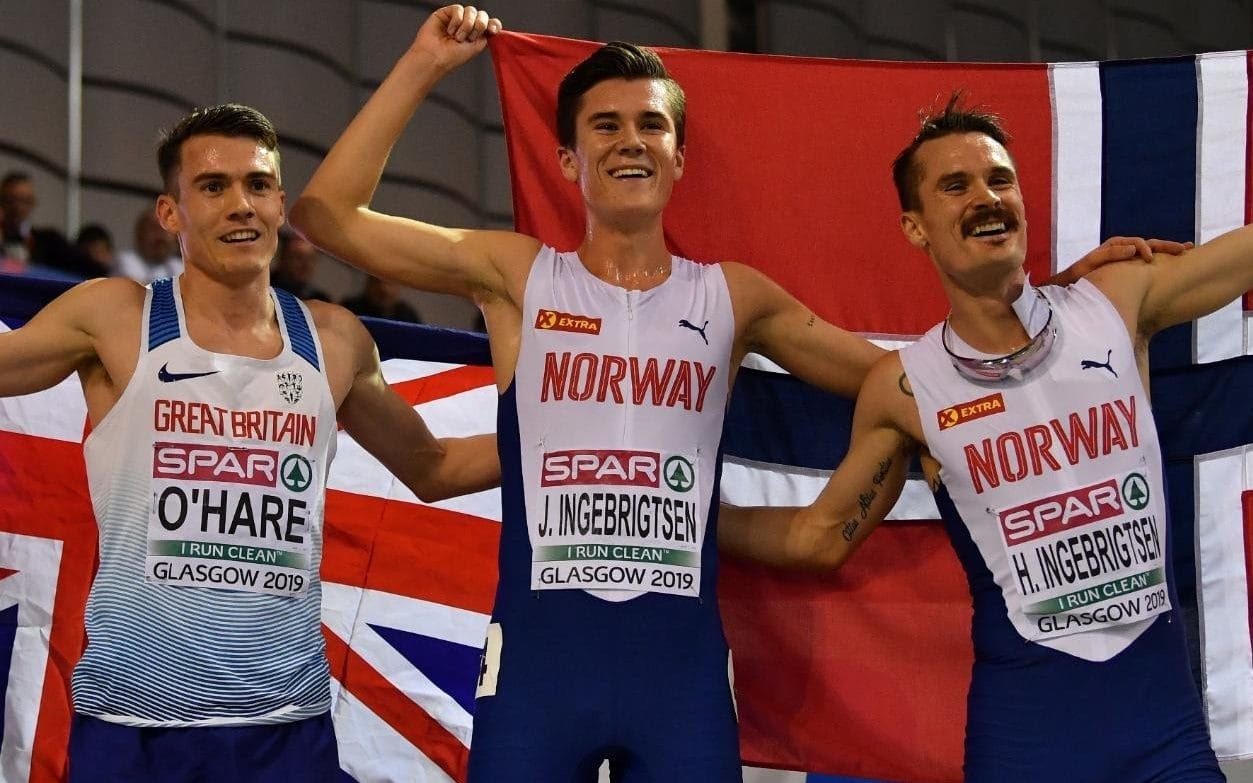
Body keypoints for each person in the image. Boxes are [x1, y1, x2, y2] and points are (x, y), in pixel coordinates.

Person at [289, 8, 1173, 780]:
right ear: (566, 158)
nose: (629, 140)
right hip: (537, 672)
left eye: (650, 124)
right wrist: (426, 64)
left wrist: (1036, 305)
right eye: (604, 126)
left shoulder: (734, 297)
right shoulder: (516, 275)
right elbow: (326, 215)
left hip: (678, 682)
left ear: (678, 157)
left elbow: (909, 376)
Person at [720, 94, 1244, 782]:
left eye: (1000, 179)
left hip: (1164, 735)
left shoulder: (1116, 300)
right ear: (915, 228)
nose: (985, 198)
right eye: (955, 185)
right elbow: (819, 537)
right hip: (1029, 743)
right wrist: (693, 516)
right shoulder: (905, 387)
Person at [0, 103, 498, 782]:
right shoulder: (115, 317)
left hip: (284, 732)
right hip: (131, 726)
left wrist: (559, 437)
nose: (241, 204)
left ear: (280, 204)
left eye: (258, 185)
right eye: (213, 186)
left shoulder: (334, 338)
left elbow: (435, 467)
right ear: (170, 212)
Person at [1, 170, 101, 278]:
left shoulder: (50, 241)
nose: (17, 207)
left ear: (33, 203)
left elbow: (91, 269)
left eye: (25, 200)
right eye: (11, 200)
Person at [114, 207, 183, 283]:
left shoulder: (179, 265)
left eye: (167, 229)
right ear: (140, 234)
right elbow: (137, 288)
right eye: (155, 229)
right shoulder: (125, 260)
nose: (161, 236)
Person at [271, 229, 331, 300]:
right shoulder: (264, 286)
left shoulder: (319, 299)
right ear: (283, 258)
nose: (306, 265)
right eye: (299, 257)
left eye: (311, 259)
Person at [341, 274, 422, 322]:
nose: (384, 288)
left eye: (390, 283)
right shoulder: (349, 309)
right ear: (368, 282)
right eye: (377, 281)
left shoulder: (408, 316)